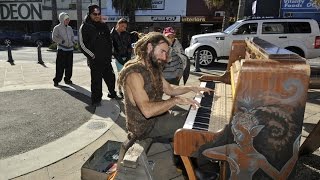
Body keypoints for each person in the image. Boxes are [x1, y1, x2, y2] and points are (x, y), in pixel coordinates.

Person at [117, 32, 213, 160]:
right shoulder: (134, 74)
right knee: (194, 126)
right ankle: (196, 164)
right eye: (162, 51)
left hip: (157, 118)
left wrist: (192, 88)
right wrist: (176, 101)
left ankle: (188, 157)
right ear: (150, 47)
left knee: (194, 112)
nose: (165, 57)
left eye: (166, 53)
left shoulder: (152, 67)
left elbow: (169, 88)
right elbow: (147, 111)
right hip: (144, 127)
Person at [79, 4, 122, 106]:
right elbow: (82, 45)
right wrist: (92, 56)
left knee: (110, 77)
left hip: (106, 59)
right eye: (95, 14)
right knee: (96, 81)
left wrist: (110, 52)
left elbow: (109, 40)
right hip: (94, 60)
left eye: (99, 14)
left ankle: (112, 93)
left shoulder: (103, 25)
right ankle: (96, 100)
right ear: (89, 14)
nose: (97, 16)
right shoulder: (85, 26)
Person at [52, 12, 75, 87]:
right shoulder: (57, 28)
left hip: (70, 50)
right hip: (62, 50)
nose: (68, 20)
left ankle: (67, 79)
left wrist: (73, 42)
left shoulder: (70, 28)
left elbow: (72, 36)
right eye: (66, 19)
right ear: (62, 19)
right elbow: (54, 37)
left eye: (68, 19)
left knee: (69, 66)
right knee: (60, 66)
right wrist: (61, 41)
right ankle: (57, 80)